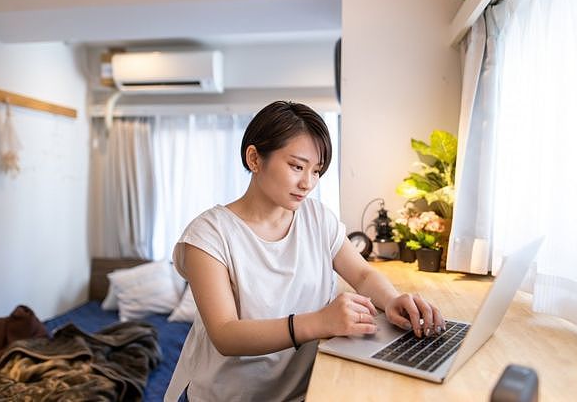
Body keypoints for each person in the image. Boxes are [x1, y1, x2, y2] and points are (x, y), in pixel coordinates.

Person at [164, 101, 445, 401]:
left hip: (305, 392)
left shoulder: (317, 217)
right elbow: (225, 334)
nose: (308, 183)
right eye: (297, 166)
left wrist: (392, 300)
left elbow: (361, 274)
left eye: (316, 171)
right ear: (255, 158)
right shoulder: (209, 234)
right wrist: (320, 321)